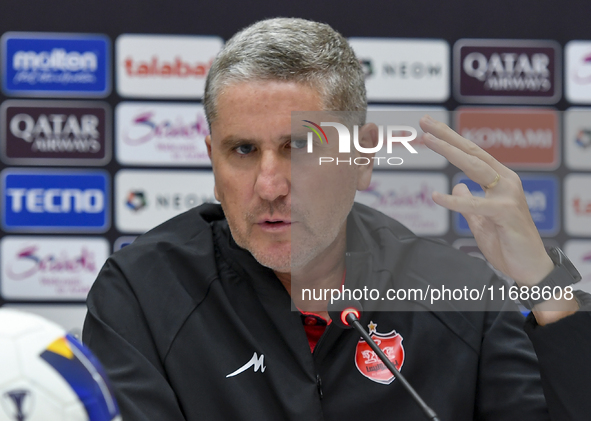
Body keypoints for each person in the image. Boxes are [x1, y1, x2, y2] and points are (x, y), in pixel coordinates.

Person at [84, 18, 591, 420]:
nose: (269, 186)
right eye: (242, 150)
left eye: (300, 147)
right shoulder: (143, 293)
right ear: (212, 160)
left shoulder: (460, 298)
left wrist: (546, 287)